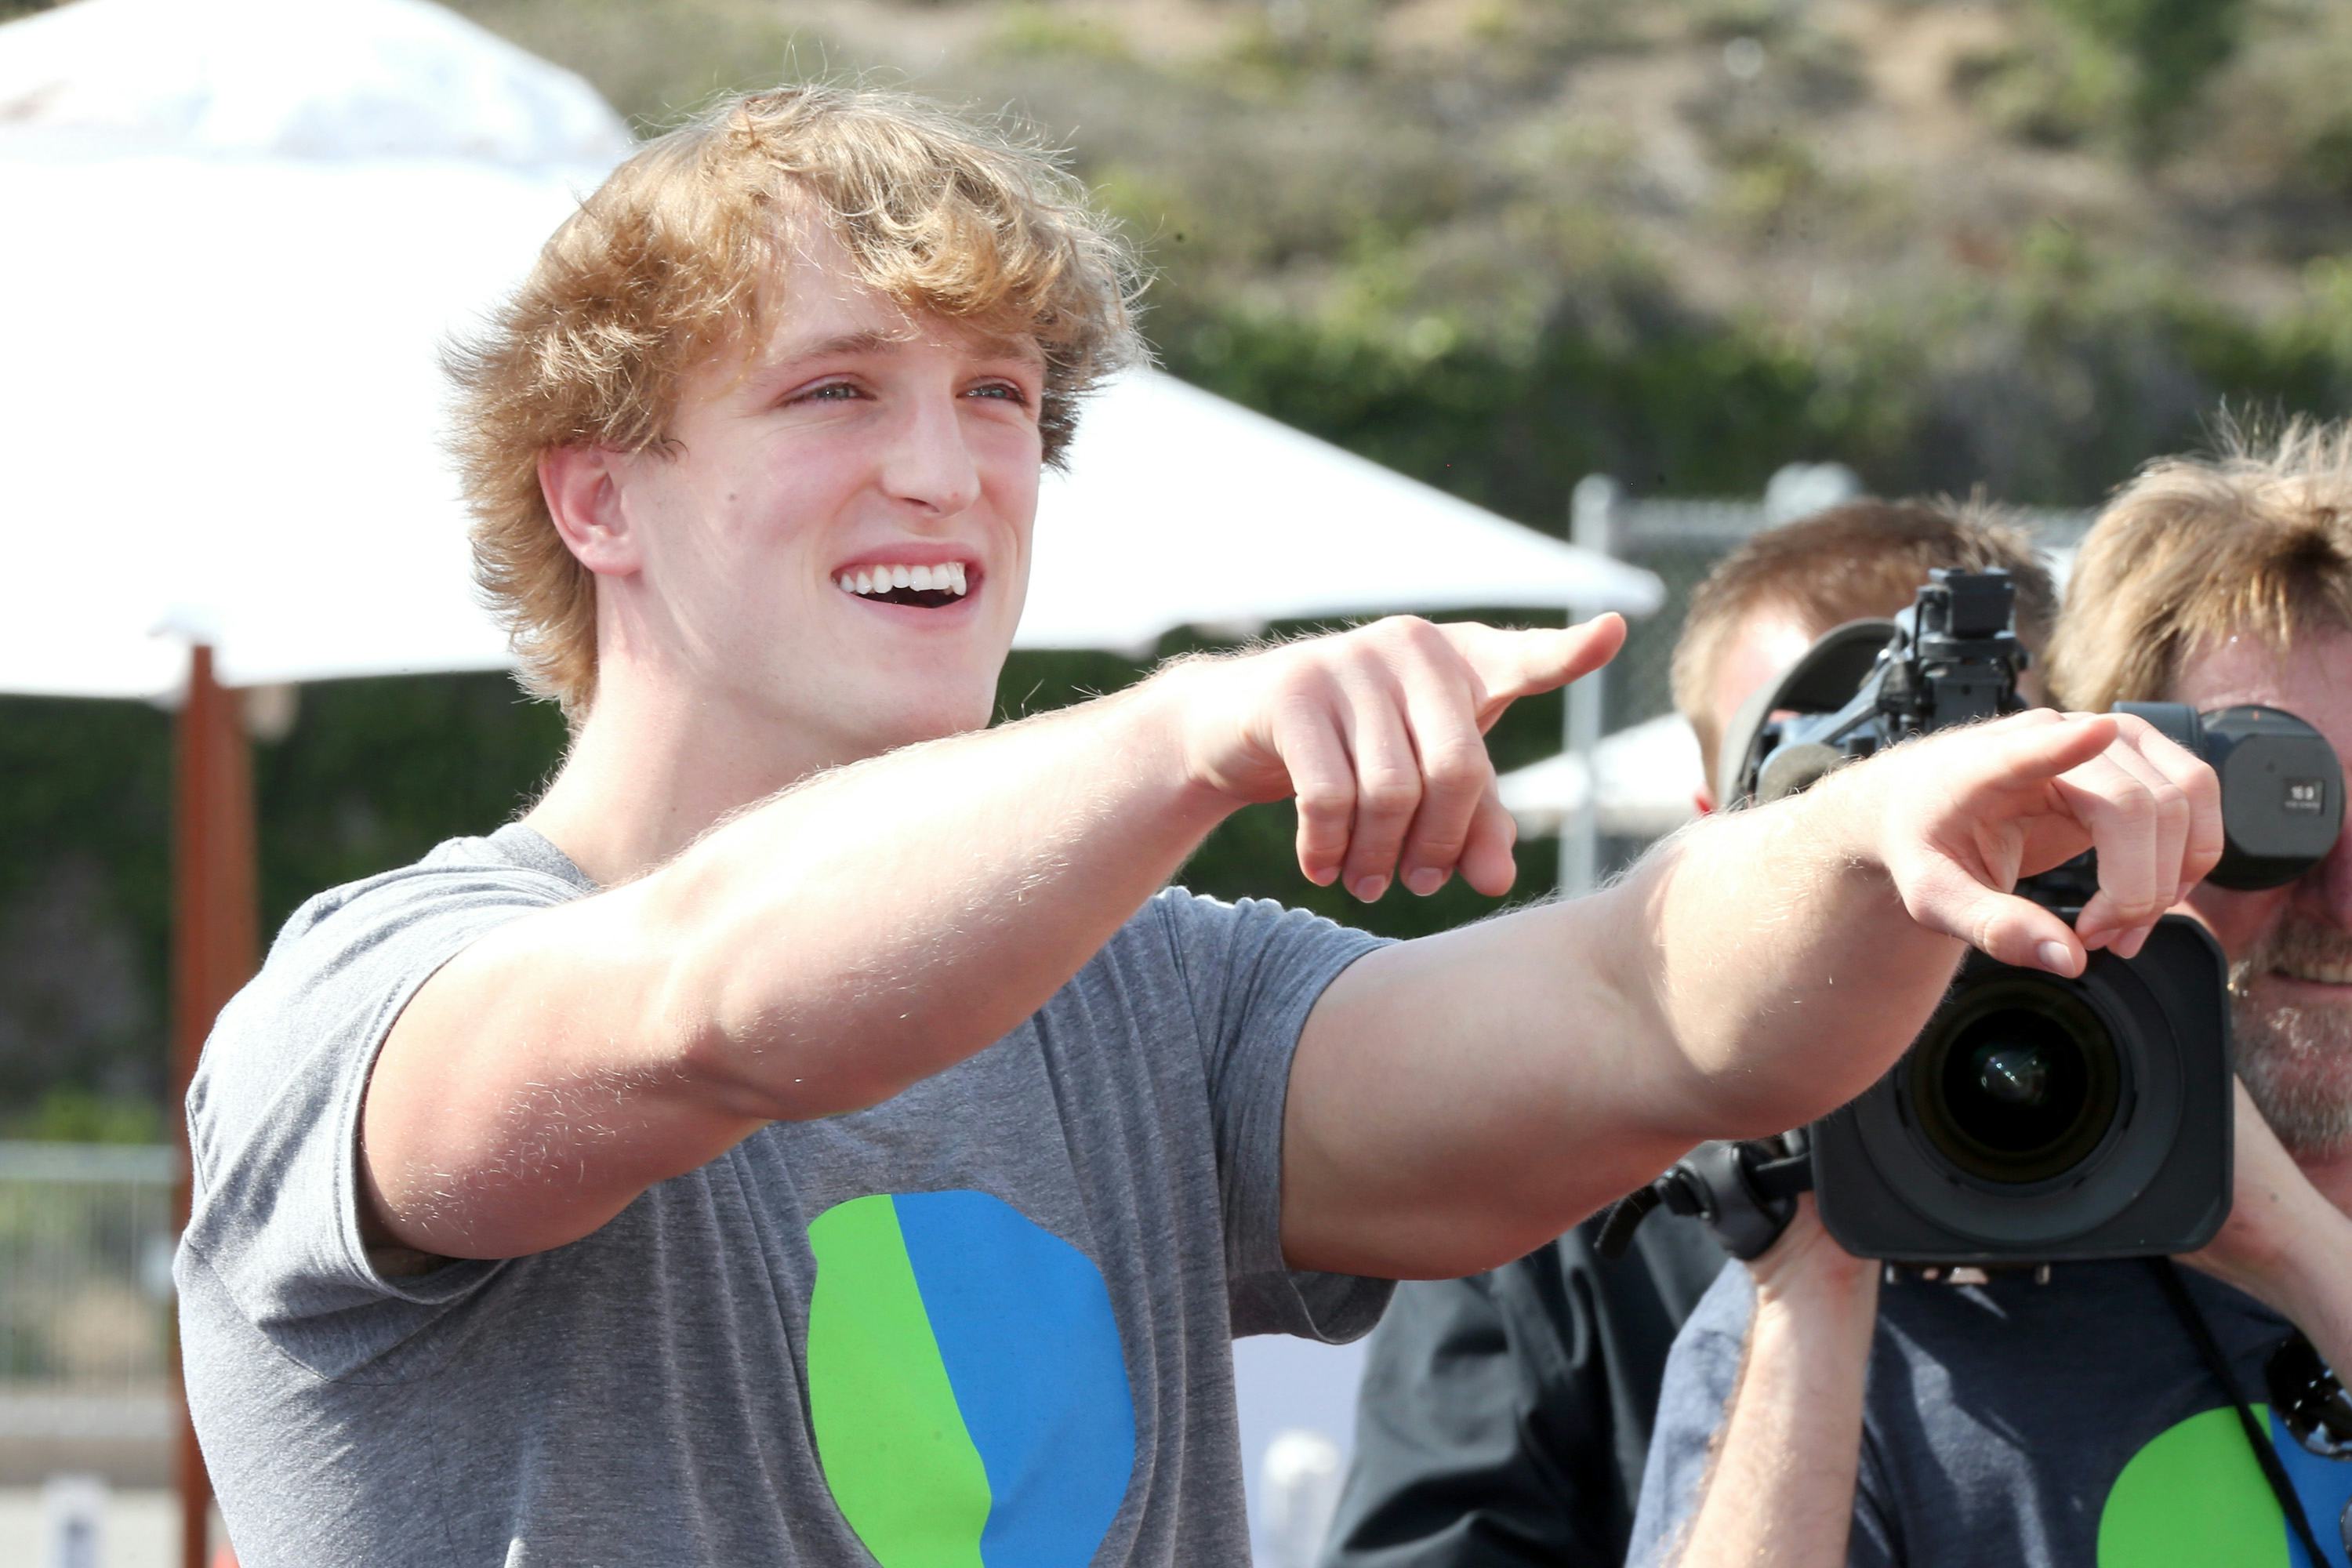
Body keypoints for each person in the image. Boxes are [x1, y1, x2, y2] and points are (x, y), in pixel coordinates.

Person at [175, 85, 2219, 1568]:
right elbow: (712, 1005)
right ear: (594, 495)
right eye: (833, 391)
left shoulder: (1156, 994)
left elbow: (1641, 1014)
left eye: (999, 396)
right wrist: (1186, 734)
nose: (949, 471)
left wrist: (1874, 842)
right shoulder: (368, 1001)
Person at [1628, 420, 2352, 1568]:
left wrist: (2301, 1256)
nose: (2343, 897)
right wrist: (1820, 1290)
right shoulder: (1873, 1300)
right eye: (2268, 817)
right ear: (2087, 814)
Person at [1319, 499, 2058, 1568]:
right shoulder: (1545, 1200)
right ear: (1715, 828)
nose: (1900, 862)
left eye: (1978, 785)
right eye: (1820, 791)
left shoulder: (2176, 1128)